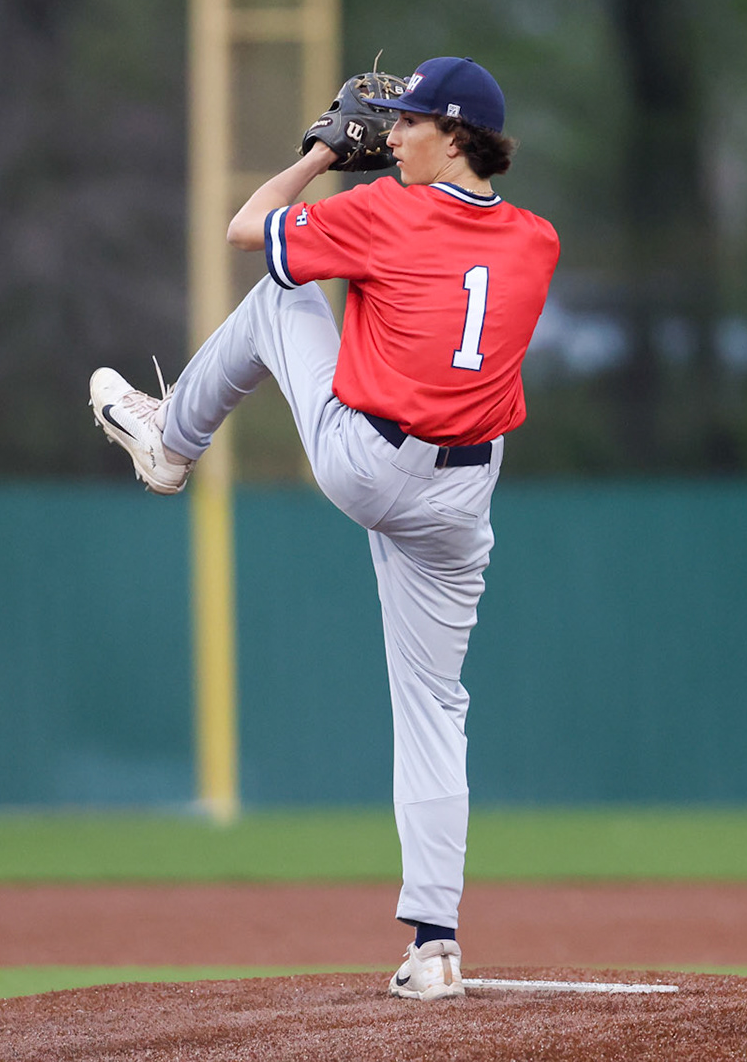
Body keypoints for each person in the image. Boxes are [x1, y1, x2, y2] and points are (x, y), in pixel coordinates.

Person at [89, 56, 559, 1000]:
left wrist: (312, 156)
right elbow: (435, 296)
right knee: (435, 708)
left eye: (410, 120)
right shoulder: (537, 240)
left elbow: (242, 228)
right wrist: (376, 176)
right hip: (464, 499)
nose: (389, 133)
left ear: (456, 134)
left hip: (373, 463)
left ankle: (168, 441)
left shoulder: (384, 211)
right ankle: (435, 945)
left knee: (275, 297)